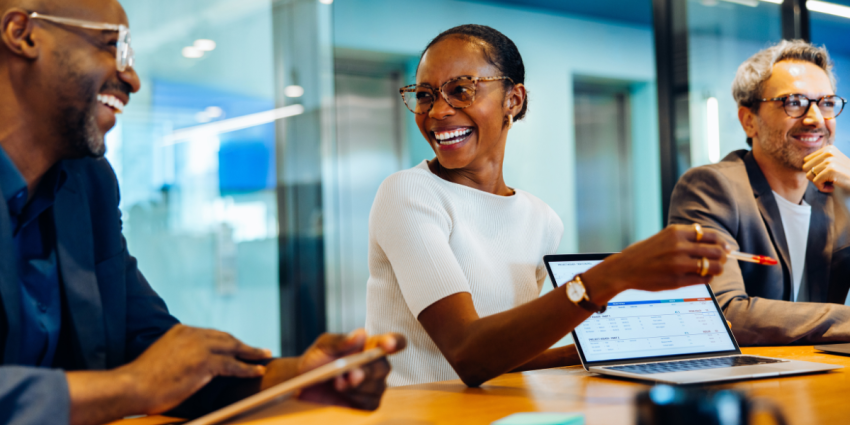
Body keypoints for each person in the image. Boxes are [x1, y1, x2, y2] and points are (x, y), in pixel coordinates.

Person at [0, 1, 405, 424]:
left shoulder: (87, 184)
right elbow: (144, 378)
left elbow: (151, 349)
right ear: (23, 33)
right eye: (111, 47)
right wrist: (132, 387)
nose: (132, 79)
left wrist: (297, 376)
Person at [364, 24, 728, 388]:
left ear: (513, 100)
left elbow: (498, 355)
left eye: (461, 90)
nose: (438, 111)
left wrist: (605, 351)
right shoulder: (408, 193)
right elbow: (468, 355)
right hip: (415, 411)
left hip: (488, 412)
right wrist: (616, 273)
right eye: (425, 95)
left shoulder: (541, 219)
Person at [669, 40, 850, 345]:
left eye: (826, 103)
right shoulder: (711, 188)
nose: (816, 119)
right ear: (749, 121)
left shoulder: (840, 194)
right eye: (794, 102)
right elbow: (723, 313)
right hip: (747, 371)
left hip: (823, 367)